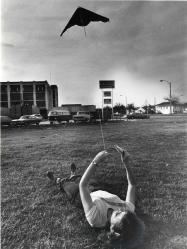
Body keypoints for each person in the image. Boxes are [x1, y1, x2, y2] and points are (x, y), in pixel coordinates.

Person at [47, 145, 144, 248]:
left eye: (119, 214)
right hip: (97, 190)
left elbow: (83, 185)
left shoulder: (96, 219)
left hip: (79, 197)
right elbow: (132, 185)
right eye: (125, 212)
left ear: (114, 232)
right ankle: (73, 175)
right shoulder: (128, 213)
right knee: (81, 178)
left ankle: (57, 180)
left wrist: (95, 161)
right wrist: (126, 162)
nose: (122, 210)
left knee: (68, 185)